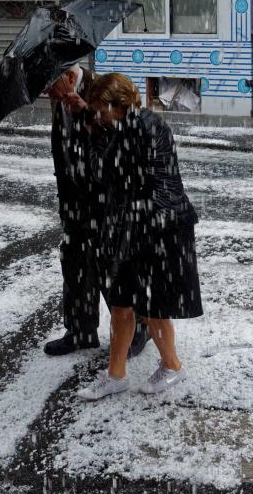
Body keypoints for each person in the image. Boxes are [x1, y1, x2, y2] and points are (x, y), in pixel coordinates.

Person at [76, 73, 202, 401]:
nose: (98, 116)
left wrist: (96, 135)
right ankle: (115, 375)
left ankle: (173, 365)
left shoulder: (145, 127)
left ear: (112, 105)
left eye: (100, 110)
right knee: (121, 305)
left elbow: (112, 174)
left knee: (153, 307)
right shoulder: (119, 128)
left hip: (157, 227)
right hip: (131, 227)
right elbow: (106, 176)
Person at [42, 66, 149, 358]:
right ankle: (80, 330)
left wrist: (85, 109)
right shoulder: (59, 95)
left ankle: (138, 327)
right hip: (73, 198)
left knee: (110, 267)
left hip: (104, 196)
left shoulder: (100, 87)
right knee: (74, 263)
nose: (47, 93)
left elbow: (120, 133)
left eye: (50, 87)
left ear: (66, 76)